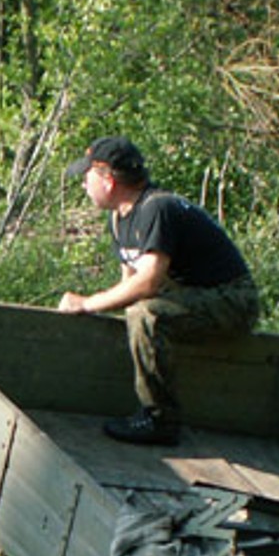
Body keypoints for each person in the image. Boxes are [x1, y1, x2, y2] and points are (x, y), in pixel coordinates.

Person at [58, 136, 260, 446]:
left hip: (232, 300)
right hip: (194, 298)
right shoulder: (120, 218)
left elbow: (148, 280)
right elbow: (129, 285)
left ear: (108, 180)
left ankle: (159, 419)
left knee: (146, 313)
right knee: (136, 311)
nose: (83, 185)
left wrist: (87, 304)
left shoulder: (156, 208)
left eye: (87, 177)